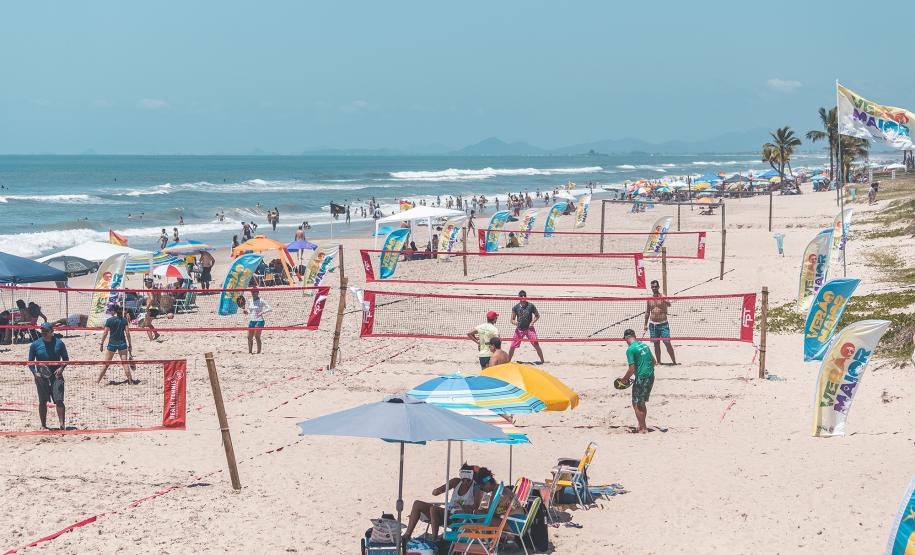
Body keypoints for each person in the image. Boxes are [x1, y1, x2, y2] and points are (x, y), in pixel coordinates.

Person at [403, 465, 497, 544]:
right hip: (448, 513)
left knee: (434, 509)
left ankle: (434, 539)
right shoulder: (456, 482)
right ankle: (407, 535)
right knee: (417, 504)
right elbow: (436, 492)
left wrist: (463, 507)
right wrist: (438, 490)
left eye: (467, 480)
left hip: (459, 516)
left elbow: (475, 508)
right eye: (463, 479)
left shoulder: (476, 487)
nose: (465, 482)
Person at [28, 323, 69, 430]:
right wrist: (34, 372)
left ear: (52, 331)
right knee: (42, 401)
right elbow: (30, 362)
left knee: (59, 400)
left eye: (45, 331)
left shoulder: (59, 343)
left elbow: (65, 359)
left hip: (56, 375)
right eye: (42, 331)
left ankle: (62, 425)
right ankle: (43, 425)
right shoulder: (35, 344)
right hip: (41, 377)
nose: (43, 333)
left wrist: (61, 369)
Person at [618, 328, 656, 433]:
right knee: (642, 402)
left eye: (625, 339)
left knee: (636, 403)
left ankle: (643, 429)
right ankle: (642, 425)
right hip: (651, 376)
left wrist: (624, 380)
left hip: (642, 378)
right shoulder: (644, 345)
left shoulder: (630, 350)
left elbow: (632, 369)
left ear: (626, 338)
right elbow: (654, 361)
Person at [96, 304, 136, 384]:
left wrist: (101, 343)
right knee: (125, 364)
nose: (110, 311)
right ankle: (130, 381)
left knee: (106, 364)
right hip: (122, 344)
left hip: (112, 344)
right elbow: (127, 333)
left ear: (113, 311)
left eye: (111, 310)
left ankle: (97, 381)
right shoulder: (124, 320)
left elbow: (105, 333)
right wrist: (130, 344)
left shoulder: (109, 320)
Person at [643, 280, 677, 365]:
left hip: (663, 324)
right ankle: (658, 362)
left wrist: (665, 300)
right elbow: (647, 312)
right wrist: (645, 324)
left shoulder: (662, 296)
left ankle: (674, 362)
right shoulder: (649, 299)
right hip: (653, 325)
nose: (654, 288)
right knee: (656, 344)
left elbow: (669, 304)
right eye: (652, 287)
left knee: (667, 343)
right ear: (651, 288)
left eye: (655, 286)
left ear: (658, 287)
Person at [508, 290, 544, 364]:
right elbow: (512, 320)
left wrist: (532, 322)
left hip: (529, 329)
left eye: (524, 296)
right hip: (520, 329)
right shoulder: (515, 307)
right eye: (521, 296)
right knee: (512, 346)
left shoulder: (531, 306)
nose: (523, 297)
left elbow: (537, 316)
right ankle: (508, 361)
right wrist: (515, 323)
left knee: (536, 344)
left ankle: (542, 361)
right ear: (519, 297)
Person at [239, 289, 271, 354]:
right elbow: (250, 311)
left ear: (258, 293)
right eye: (252, 292)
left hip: (259, 320)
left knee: (257, 336)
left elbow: (270, 308)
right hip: (252, 320)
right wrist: (246, 312)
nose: (253, 293)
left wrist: (262, 312)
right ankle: (250, 352)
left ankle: (258, 352)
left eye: (255, 292)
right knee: (249, 337)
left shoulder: (261, 300)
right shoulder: (250, 300)